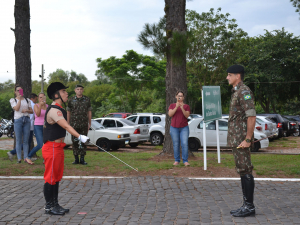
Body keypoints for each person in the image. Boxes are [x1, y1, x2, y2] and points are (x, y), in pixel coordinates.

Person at [42, 82, 89, 215]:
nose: (66, 93)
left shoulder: (60, 109)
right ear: (56, 95)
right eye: (63, 91)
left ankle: (55, 204)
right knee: (50, 177)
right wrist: (80, 136)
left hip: (57, 147)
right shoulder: (54, 110)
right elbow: (67, 126)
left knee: (56, 177)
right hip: (51, 147)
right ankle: (49, 207)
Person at [226, 65, 256, 217]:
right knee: (242, 170)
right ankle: (246, 204)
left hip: (242, 139)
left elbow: (251, 116)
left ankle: (249, 207)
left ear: (238, 76)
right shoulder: (237, 91)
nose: (227, 77)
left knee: (245, 170)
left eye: (229, 75)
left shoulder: (244, 91)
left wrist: (248, 139)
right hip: (237, 138)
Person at [7, 93, 37, 162]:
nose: (20, 92)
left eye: (21, 90)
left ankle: (26, 158)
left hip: (26, 119)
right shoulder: (13, 100)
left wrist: (26, 110)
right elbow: (16, 108)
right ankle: (19, 158)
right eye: (18, 90)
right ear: (15, 92)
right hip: (18, 120)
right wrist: (19, 99)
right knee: (18, 140)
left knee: (26, 140)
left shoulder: (27, 100)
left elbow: (32, 111)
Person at [67, 84, 92, 165]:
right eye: (77, 89)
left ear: (83, 90)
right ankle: (76, 159)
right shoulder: (71, 100)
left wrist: (89, 122)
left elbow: (89, 111)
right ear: (75, 90)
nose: (79, 90)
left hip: (84, 123)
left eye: (81, 89)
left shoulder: (87, 99)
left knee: (83, 140)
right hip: (74, 124)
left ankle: (82, 159)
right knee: (74, 141)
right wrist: (68, 123)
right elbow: (68, 111)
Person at [168, 90, 190, 166]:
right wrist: (176, 107)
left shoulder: (186, 106)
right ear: (176, 97)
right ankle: (177, 160)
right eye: (178, 96)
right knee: (176, 144)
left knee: (184, 143)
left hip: (184, 128)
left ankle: (185, 161)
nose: (179, 97)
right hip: (174, 128)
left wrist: (182, 107)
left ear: (183, 97)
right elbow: (170, 114)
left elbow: (187, 115)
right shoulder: (172, 105)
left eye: (181, 96)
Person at [25, 93, 48, 164]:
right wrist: (40, 106)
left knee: (47, 144)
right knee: (40, 144)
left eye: (43, 97)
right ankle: (28, 157)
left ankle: (45, 159)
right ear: (38, 98)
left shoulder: (48, 106)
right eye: (40, 97)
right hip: (38, 126)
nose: (41, 99)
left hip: (45, 126)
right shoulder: (36, 105)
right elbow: (37, 114)